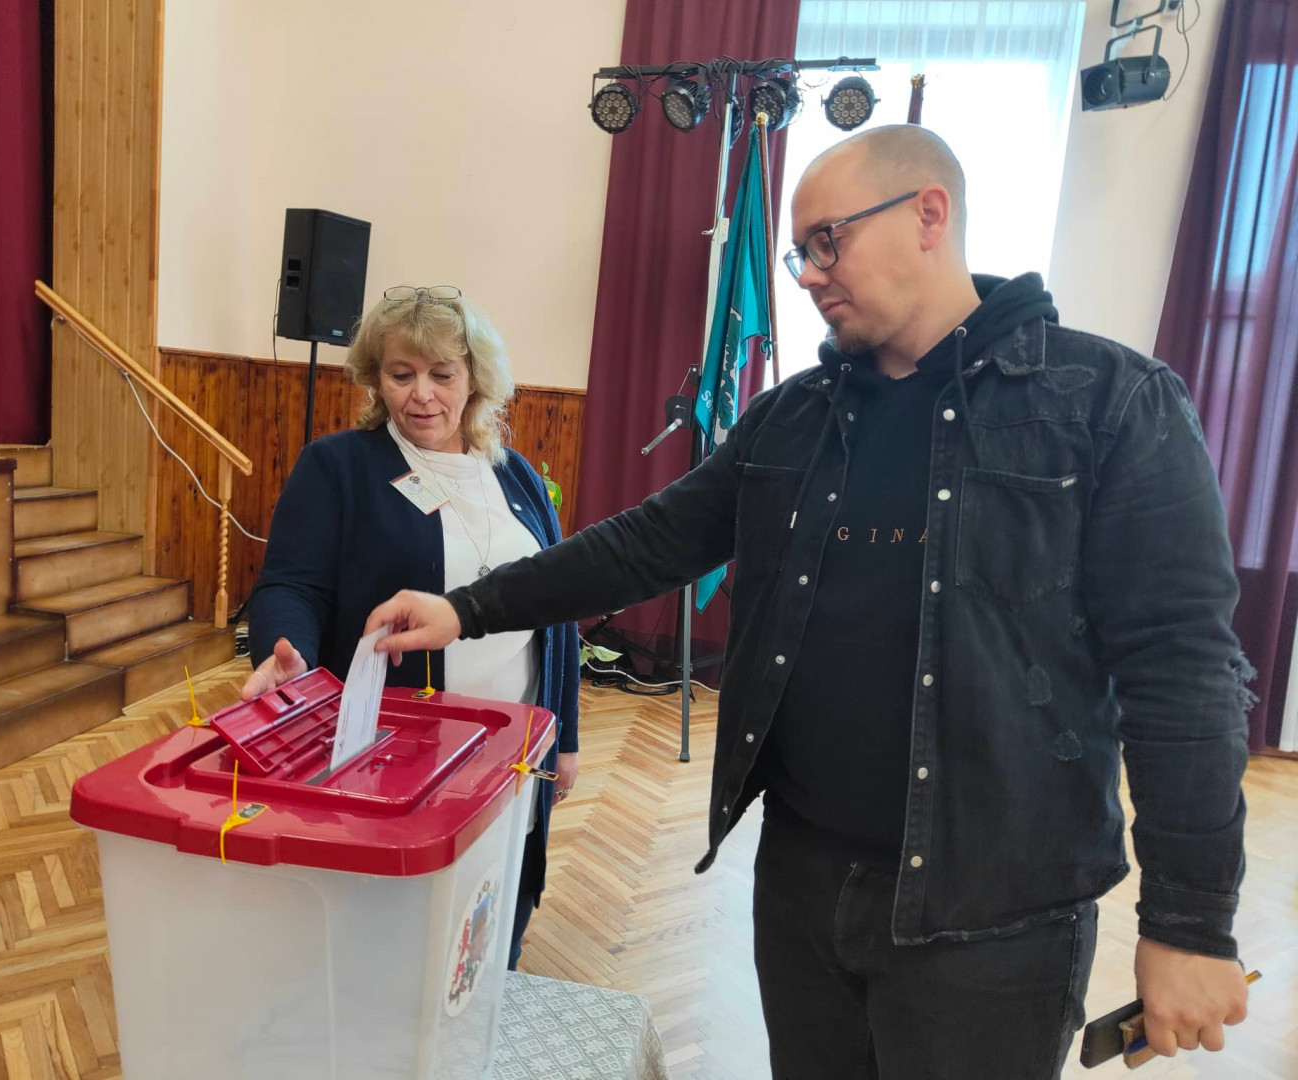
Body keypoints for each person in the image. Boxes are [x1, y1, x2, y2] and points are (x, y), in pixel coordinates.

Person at [363, 127, 1254, 1078]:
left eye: (829, 241)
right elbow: (648, 543)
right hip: (802, 883)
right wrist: (468, 608)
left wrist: (1190, 925)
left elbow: (1184, 673)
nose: (810, 274)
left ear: (929, 215)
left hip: (993, 920)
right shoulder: (796, 415)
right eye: (800, 253)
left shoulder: (1108, 404)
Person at [242, 285, 580, 970]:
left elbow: (558, 610)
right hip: (399, 756)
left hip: (513, 753)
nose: (421, 395)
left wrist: (564, 736)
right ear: (376, 378)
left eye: (441, 374)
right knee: (396, 933)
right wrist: (288, 651)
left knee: (492, 913)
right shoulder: (339, 466)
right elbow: (290, 586)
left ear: (474, 378)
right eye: (402, 374)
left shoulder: (514, 474)